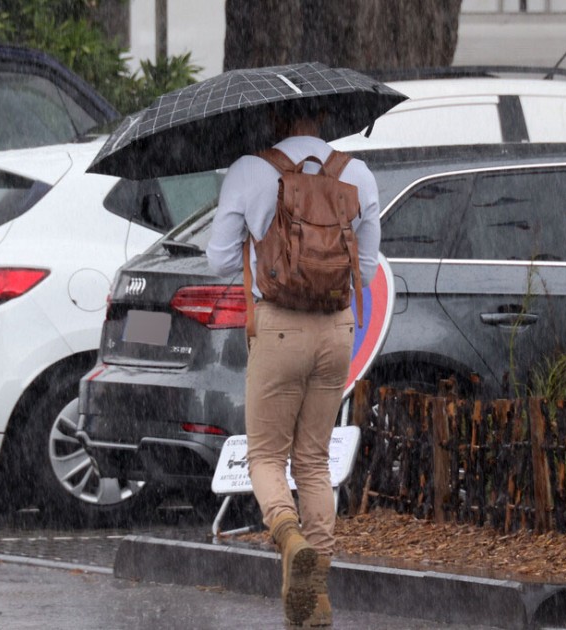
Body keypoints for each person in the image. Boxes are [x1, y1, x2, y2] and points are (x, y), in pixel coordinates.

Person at [205, 102, 381, 627]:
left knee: (265, 457)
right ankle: (317, 592)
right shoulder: (358, 173)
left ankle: (289, 536)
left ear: (273, 119)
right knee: (313, 460)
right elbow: (366, 271)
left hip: (278, 326)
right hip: (335, 330)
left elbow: (217, 260)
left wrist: (252, 241)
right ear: (325, 115)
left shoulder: (250, 170)